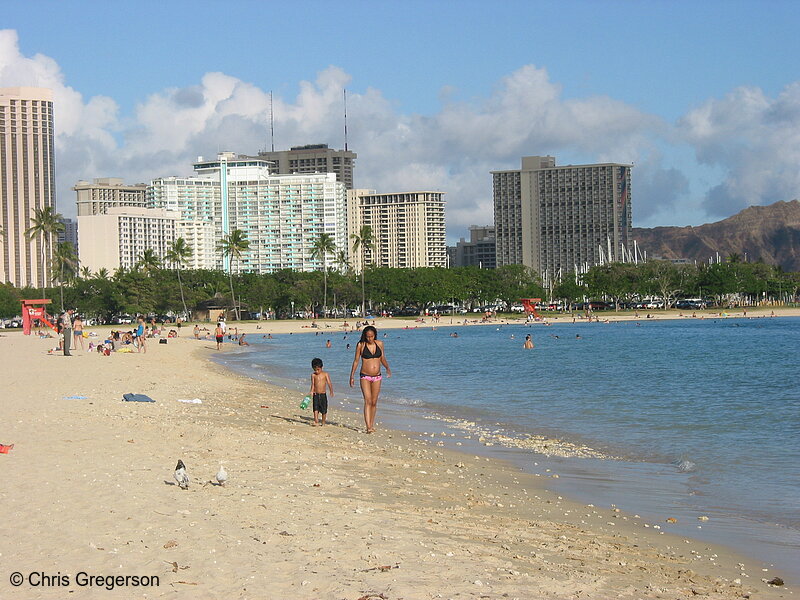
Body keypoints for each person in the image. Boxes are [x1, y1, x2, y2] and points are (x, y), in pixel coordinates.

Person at [349, 325, 391, 434]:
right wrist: (352, 376)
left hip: (377, 376)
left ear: (374, 335)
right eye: (367, 337)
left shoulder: (380, 344)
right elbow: (356, 361)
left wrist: (387, 368)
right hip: (365, 376)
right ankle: (368, 427)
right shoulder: (361, 345)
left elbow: (382, 358)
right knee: (367, 400)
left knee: (374, 402)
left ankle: (371, 424)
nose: (370, 339)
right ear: (365, 336)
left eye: (371, 336)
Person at [310, 357, 334, 427]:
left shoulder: (325, 374)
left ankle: (323, 422)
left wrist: (331, 391)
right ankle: (316, 420)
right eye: (315, 370)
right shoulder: (313, 375)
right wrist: (311, 391)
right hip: (316, 394)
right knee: (315, 408)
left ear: (322, 367)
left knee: (324, 409)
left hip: (323, 394)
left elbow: (329, 383)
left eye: (318, 369)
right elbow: (313, 384)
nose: (317, 371)